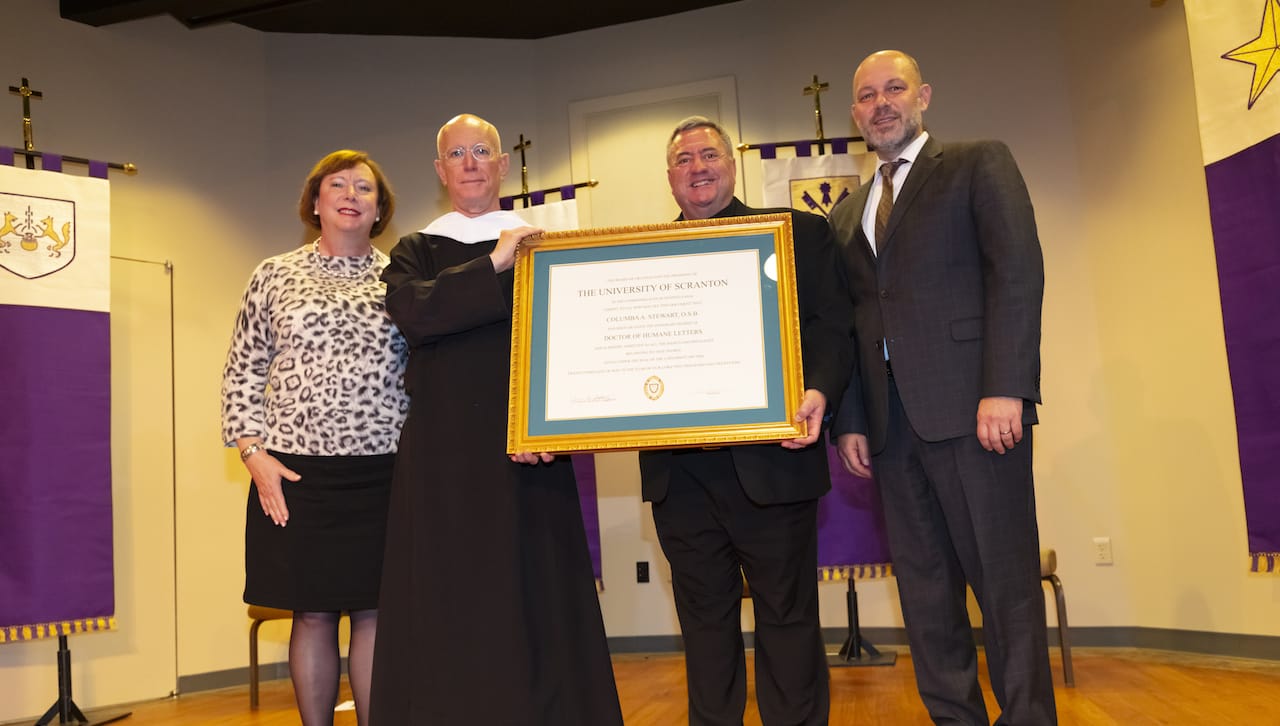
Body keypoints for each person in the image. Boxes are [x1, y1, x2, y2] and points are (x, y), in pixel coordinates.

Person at [368, 113, 623, 725]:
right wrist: (493, 266)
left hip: (527, 445)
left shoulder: (543, 243)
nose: (471, 162)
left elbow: (573, 339)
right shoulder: (416, 250)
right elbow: (413, 312)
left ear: (503, 164)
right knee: (449, 595)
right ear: (440, 170)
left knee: (533, 592)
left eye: (482, 150)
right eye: (456, 153)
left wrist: (552, 426)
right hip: (443, 454)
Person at [830, 50, 1056, 724]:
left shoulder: (976, 163)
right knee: (928, 603)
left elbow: (1016, 272)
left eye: (894, 89)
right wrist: (850, 419)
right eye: (867, 96)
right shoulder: (846, 212)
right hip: (891, 432)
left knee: (1006, 593)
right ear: (855, 114)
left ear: (922, 95)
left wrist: (1006, 387)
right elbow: (850, 324)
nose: (881, 104)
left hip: (977, 414)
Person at [638, 116, 855, 726]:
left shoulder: (797, 236)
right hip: (678, 479)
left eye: (709, 155)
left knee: (788, 621)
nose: (698, 167)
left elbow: (832, 326)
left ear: (732, 165)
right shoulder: (639, 259)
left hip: (774, 465)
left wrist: (818, 389)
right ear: (670, 176)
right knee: (704, 628)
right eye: (684, 159)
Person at [220, 149, 408, 726]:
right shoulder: (273, 274)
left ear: (379, 208)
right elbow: (242, 370)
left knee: (377, 614)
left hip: (385, 469)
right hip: (295, 473)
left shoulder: (402, 276)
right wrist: (254, 455)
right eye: (338, 185)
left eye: (365, 188)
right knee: (313, 614)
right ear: (316, 201)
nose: (352, 194)